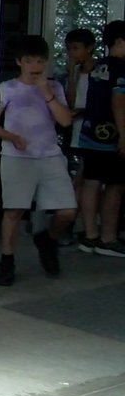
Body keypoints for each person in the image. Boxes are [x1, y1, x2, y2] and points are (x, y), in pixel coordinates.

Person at [0, 35, 75, 286]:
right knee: (14, 210)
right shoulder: (7, 88)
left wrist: (46, 92)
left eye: (40, 61)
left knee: (68, 210)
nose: (35, 66)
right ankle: (7, 261)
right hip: (17, 157)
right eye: (29, 61)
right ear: (19, 62)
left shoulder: (54, 87)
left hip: (50, 155)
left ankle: (48, 238)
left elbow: (66, 121)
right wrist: (11, 136)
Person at [73, 20, 125, 257]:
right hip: (110, 135)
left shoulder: (98, 67)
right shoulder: (121, 68)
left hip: (89, 133)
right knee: (115, 185)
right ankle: (108, 238)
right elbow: (119, 103)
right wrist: (124, 136)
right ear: (120, 42)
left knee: (91, 182)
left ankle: (90, 235)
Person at [65, 27, 97, 243]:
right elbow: (71, 99)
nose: (72, 53)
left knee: (85, 179)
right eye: (69, 49)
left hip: (93, 130)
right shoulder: (75, 72)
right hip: (77, 128)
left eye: (76, 48)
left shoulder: (100, 70)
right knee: (80, 178)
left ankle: (77, 222)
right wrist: (72, 74)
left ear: (89, 48)